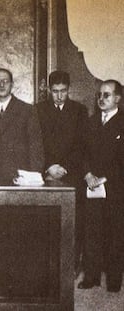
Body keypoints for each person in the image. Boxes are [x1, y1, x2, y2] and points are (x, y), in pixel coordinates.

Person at [37, 70, 88, 273]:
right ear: (49, 90)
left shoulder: (79, 110)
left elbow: (82, 145)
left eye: (63, 91)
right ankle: (49, 267)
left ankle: (73, 265)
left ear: (69, 90)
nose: (59, 96)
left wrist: (64, 168)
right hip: (47, 173)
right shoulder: (38, 110)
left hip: (72, 173)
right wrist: (49, 167)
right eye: (55, 91)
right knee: (48, 222)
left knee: (73, 222)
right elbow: (37, 143)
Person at [78, 80, 124, 292]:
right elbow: (82, 152)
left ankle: (114, 280)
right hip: (91, 185)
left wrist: (104, 178)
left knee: (115, 234)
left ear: (117, 98)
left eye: (107, 95)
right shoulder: (90, 121)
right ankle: (91, 276)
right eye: (99, 95)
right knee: (91, 232)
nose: (101, 99)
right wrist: (87, 174)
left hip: (115, 187)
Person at [0, 68, 44, 184]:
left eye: (5, 81)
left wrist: (34, 177)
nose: (1, 85)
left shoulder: (27, 110)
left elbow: (35, 146)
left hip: (19, 176)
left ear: (12, 85)